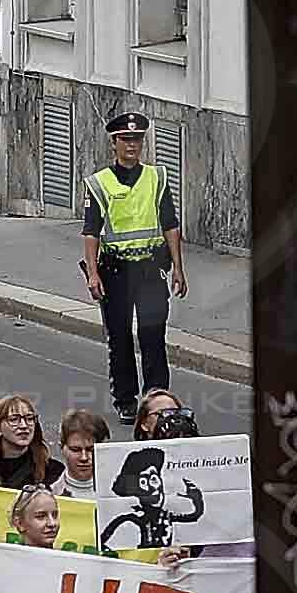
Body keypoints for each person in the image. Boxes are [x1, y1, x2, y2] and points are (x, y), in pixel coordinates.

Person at [77, 111, 184, 418]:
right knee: (120, 338)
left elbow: (170, 225)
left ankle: (157, 398)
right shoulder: (99, 183)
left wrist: (178, 267)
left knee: (153, 336)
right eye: (125, 140)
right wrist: (93, 275)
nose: (132, 146)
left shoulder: (157, 177)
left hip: (151, 269)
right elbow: (91, 232)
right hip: (116, 272)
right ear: (114, 143)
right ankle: (126, 400)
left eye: (137, 139)